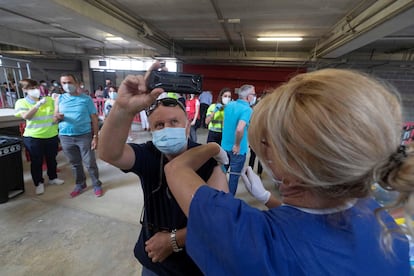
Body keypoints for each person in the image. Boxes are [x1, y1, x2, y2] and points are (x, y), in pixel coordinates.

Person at [164, 69, 412, 275]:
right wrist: (268, 200)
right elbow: (312, 229)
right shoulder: (384, 225)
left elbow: (176, 169)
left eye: (266, 144)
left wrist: (213, 148)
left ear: (289, 161)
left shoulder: (250, 240)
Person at [98, 61, 228, 276]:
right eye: (159, 125)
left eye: (174, 122)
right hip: (154, 262)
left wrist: (173, 241)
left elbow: (219, 220)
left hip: (195, 264)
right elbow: (109, 153)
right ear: (151, 130)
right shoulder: (149, 154)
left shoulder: (207, 159)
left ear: (187, 126)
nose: (167, 129)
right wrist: (123, 108)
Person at [54, 73, 103, 198]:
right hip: (65, 136)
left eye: (69, 82)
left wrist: (95, 136)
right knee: (75, 163)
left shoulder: (86, 99)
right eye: (64, 83)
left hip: (84, 135)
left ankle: (96, 184)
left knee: (90, 162)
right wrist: (57, 117)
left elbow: (94, 119)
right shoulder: (59, 99)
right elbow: (55, 117)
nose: (67, 85)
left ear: (76, 83)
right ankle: (80, 184)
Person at [14, 79, 64, 195]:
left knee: (52, 159)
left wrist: (57, 99)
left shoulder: (48, 100)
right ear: (24, 90)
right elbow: (27, 116)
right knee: (37, 161)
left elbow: (57, 110)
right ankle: (38, 183)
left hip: (51, 135)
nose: (35, 90)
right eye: (31, 88)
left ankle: (52, 178)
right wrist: (37, 105)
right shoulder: (21, 102)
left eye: (36, 87)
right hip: (34, 137)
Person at [221, 84, 256, 195]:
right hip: (238, 151)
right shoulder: (247, 110)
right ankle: (230, 201)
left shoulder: (229, 105)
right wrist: (237, 144)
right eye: (254, 94)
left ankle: (218, 195)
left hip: (224, 146)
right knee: (234, 177)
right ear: (248, 96)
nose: (254, 96)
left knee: (221, 173)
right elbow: (240, 129)